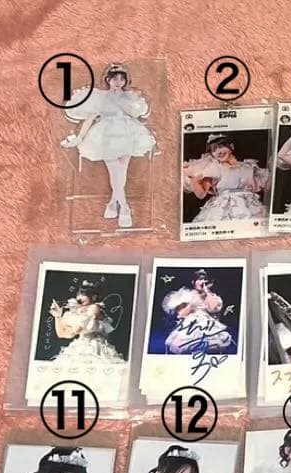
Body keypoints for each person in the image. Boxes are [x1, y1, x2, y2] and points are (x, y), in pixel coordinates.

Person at [62, 62, 156, 228]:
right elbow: (90, 118)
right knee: (115, 169)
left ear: (125, 81)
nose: (118, 82)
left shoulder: (129, 96)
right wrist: (80, 137)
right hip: (106, 135)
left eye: (121, 79)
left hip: (127, 132)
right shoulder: (100, 96)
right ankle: (124, 208)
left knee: (122, 169)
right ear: (108, 80)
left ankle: (113, 203)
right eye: (114, 79)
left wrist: (128, 102)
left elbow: (135, 114)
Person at [182, 134, 268, 222]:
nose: (218, 152)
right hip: (224, 208)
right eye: (214, 150)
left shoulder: (247, 166)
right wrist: (193, 180)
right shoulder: (214, 169)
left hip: (249, 206)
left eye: (221, 147)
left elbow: (266, 182)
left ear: (231, 146)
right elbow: (201, 194)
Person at [48, 279, 124, 364]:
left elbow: (79, 328)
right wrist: (58, 316)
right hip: (79, 346)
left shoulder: (95, 308)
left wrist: (72, 314)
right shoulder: (77, 313)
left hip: (95, 347)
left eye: (83, 294)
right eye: (78, 295)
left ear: (94, 297)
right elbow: (62, 334)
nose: (79, 298)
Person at [161, 269, 233, 355]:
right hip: (190, 326)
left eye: (205, 279)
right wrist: (191, 305)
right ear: (193, 282)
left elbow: (213, 309)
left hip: (208, 327)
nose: (202, 282)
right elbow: (181, 314)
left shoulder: (213, 297)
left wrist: (206, 292)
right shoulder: (187, 295)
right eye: (199, 279)